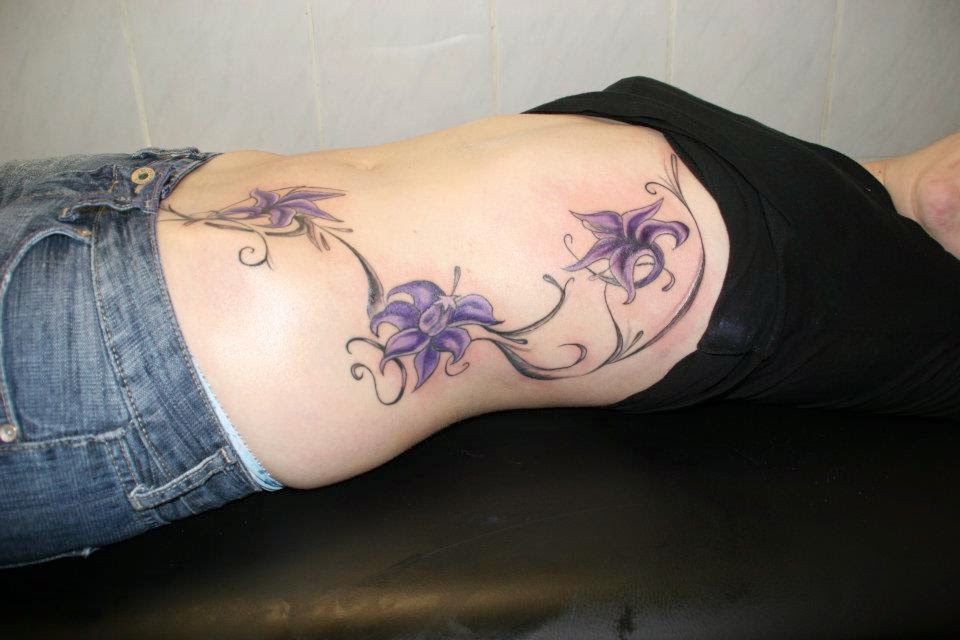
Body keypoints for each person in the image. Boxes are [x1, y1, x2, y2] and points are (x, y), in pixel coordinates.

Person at [0, 77, 957, 567]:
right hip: (132, 186)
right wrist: (903, 183)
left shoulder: (892, 305)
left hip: (115, 352)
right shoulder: (834, 189)